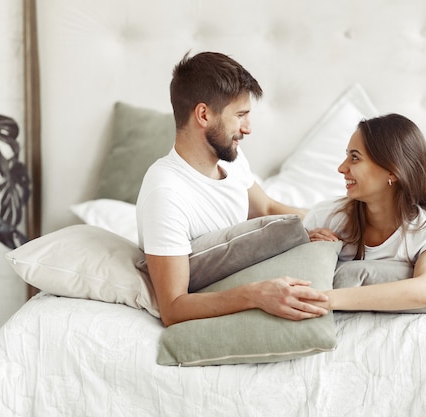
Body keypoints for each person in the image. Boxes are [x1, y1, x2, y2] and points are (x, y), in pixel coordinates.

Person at [136, 51, 328, 327]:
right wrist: (257, 295)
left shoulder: (232, 159)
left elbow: (266, 208)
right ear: (203, 114)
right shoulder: (166, 193)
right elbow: (174, 307)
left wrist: (331, 221)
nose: (247, 128)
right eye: (240, 115)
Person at [304, 113, 426, 312]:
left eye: (355, 158)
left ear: (392, 171)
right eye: (346, 155)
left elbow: (425, 290)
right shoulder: (325, 217)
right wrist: (303, 245)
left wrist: (325, 299)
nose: (342, 168)